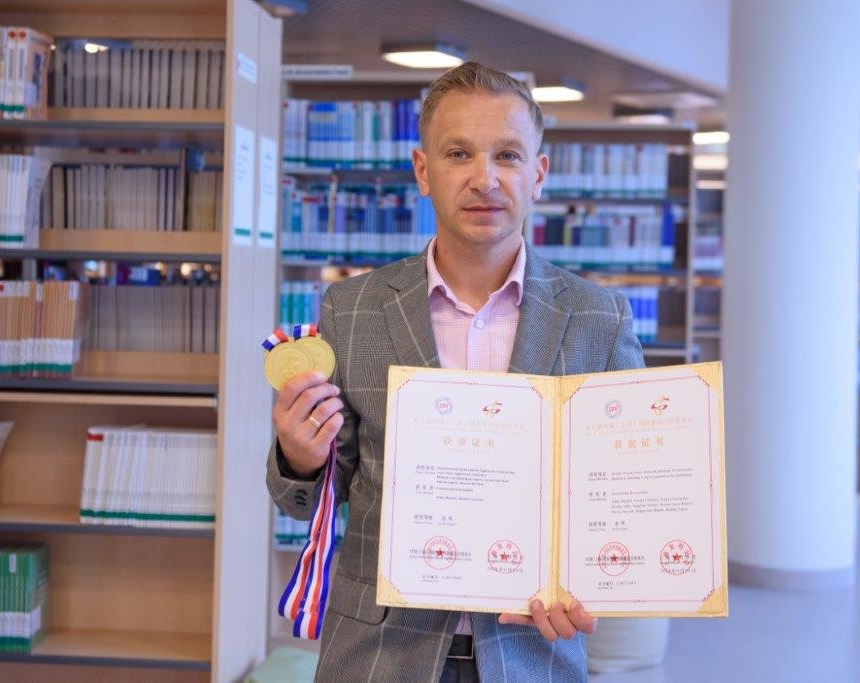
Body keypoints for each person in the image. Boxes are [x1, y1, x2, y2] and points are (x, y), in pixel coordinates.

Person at [266, 62, 645, 683]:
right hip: (378, 654)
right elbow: (304, 499)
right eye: (459, 153)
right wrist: (299, 458)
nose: (484, 178)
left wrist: (597, 579)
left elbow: (621, 497)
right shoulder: (352, 309)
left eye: (508, 155)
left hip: (530, 653)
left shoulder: (599, 319)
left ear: (538, 174)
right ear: (423, 171)